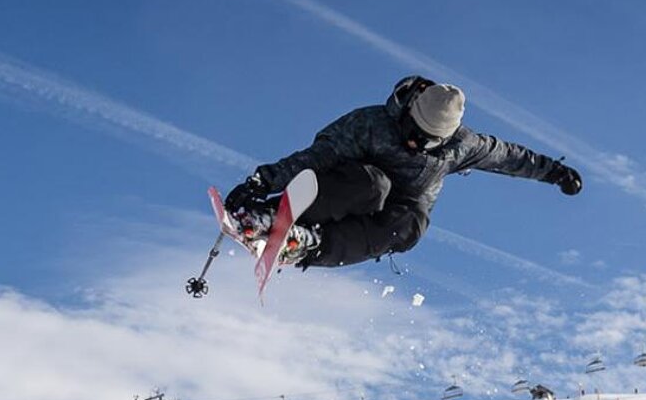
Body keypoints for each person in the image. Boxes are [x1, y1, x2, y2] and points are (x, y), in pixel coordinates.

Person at [224, 75, 584, 267]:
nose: (415, 144)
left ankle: (309, 245)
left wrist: (555, 173)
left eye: (427, 142)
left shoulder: (464, 145)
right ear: (408, 113)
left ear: (445, 138)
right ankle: (275, 217)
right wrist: (263, 181)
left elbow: (509, 156)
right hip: (351, 187)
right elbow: (318, 156)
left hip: (395, 210)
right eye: (413, 133)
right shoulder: (371, 124)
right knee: (374, 184)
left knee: (412, 225)